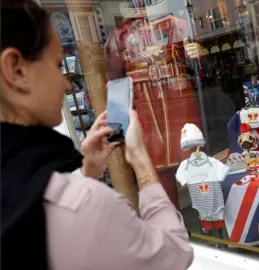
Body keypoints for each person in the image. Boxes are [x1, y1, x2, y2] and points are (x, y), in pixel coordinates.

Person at [0, 1, 193, 270]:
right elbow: (174, 255)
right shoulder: (85, 207)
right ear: (16, 70)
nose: (67, 84)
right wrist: (139, 159)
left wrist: (88, 171)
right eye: (57, 65)